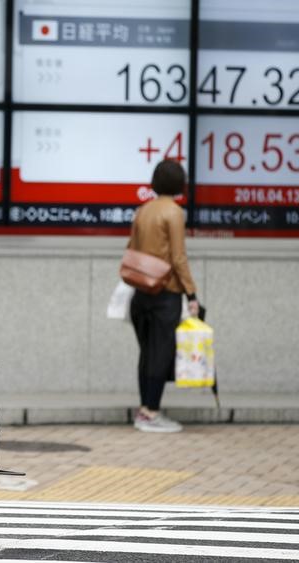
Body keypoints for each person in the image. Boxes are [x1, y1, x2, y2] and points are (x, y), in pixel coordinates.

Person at [128, 159, 199, 433]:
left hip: (141, 289)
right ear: (179, 183)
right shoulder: (174, 213)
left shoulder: (143, 210)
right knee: (161, 353)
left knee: (147, 352)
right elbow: (179, 257)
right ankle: (150, 412)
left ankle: (144, 409)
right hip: (165, 292)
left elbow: (131, 247)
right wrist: (191, 292)